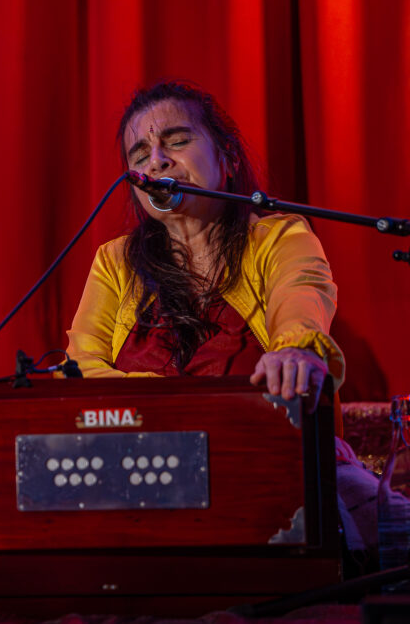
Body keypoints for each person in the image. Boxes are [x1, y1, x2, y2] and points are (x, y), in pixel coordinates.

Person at [66, 80, 377, 553]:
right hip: (138, 480)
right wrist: (182, 409)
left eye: (176, 141)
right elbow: (81, 370)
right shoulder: (114, 262)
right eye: (140, 153)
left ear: (227, 157)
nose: (156, 161)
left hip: (273, 468)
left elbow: (301, 305)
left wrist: (295, 351)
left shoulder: (280, 238)